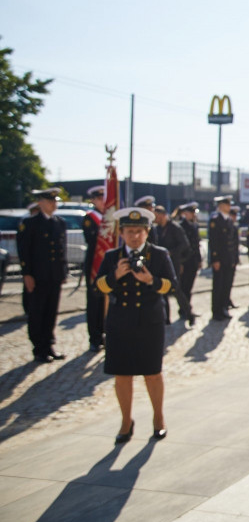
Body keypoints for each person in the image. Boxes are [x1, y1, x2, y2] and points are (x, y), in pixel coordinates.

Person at [95, 208, 177, 443]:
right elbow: (97, 288)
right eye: (130, 231)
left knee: (152, 373)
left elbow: (173, 286)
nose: (135, 236)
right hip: (120, 322)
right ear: (121, 233)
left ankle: (158, 418)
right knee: (122, 374)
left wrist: (151, 280)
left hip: (150, 322)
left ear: (147, 232)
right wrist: (115, 277)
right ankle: (125, 421)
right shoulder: (113, 256)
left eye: (139, 231)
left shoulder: (159, 255)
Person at [17, 188, 69, 363]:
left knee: (51, 312)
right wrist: (27, 274)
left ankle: (49, 344)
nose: (54, 204)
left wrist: (63, 271)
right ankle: (38, 348)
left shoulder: (59, 222)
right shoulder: (30, 223)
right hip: (38, 276)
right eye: (50, 201)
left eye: (55, 201)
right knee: (37, 312)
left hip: (54, 275)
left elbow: (62, 250)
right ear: (40, 203)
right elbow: (24, 251)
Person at [153, 205, 192, 325]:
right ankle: (166, 319)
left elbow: (185, 245)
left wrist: (172, 252)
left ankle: (189, 313)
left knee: (176, 290)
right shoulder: (157, 229)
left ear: (163, 215)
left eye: (157, 216)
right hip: (161, 264)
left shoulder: (175, 228)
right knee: (162, 290)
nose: (155, 219)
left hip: (173, 263)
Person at [82, 185, 107, 352]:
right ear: (93, 200)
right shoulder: (90, 218)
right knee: (94, 303)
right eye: (99, 199)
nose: (102, 202)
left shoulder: (108, 218)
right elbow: (92, 239)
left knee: (105, 303)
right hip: (94, 265)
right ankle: (94, 337)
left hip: (106, 265)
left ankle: (104, 333)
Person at [208, 195, 237, 320]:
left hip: (229, 259)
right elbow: (214, 241)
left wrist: (234, 259)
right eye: (227, 204)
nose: (229, 207)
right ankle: (216, 311)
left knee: (227, 285)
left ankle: (224, 307)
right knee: (218, 286)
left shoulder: (229, 220)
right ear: (221, 206)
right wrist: (215, 259)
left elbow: (233, 242)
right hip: (220, 259)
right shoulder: (215, 220)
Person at [175, 202, 202, 323]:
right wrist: (179, 263)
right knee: (183, 286)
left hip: (193, 261)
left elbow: (197, 245)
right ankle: (183, 310)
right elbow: (180, 246)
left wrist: (199, 260)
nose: (192, 215)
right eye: (190, 213)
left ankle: (187, 308)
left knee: (189, 286)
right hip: (185, 261)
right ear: (185, 213)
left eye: (193, 213)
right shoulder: (180, 226)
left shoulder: (194, 226)